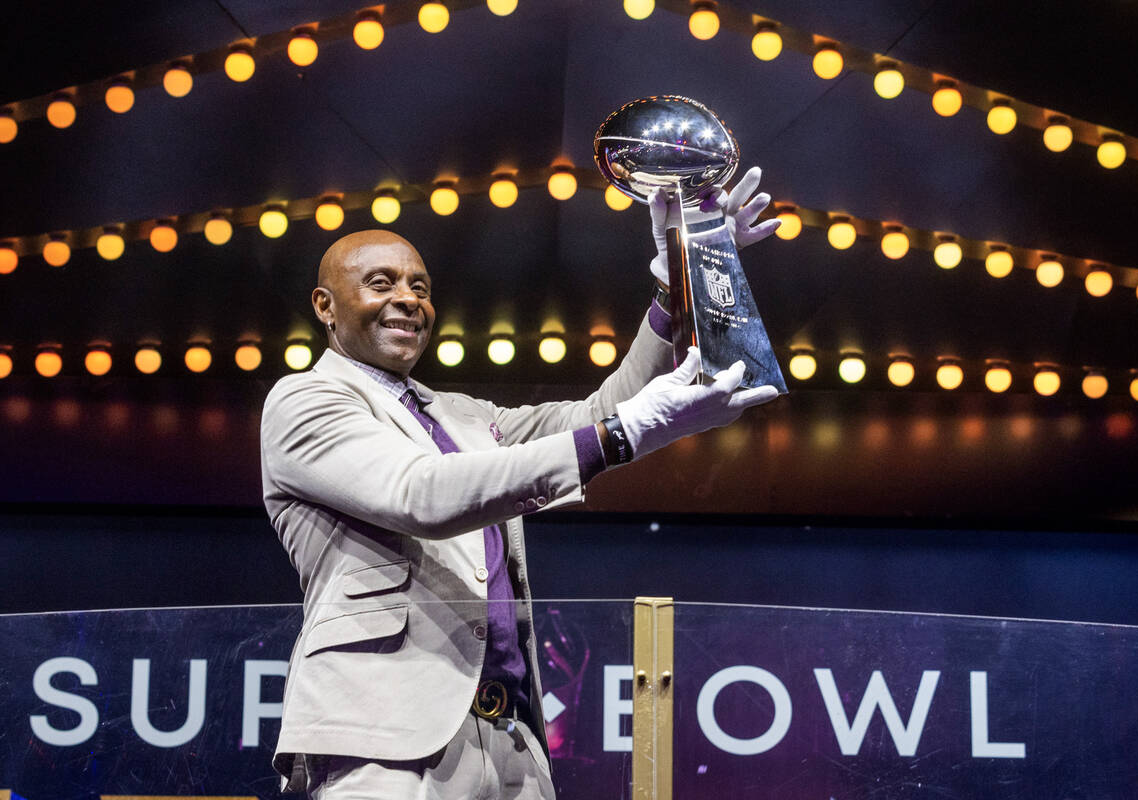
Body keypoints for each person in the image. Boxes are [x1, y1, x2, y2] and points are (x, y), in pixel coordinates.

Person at [259, 169, 781, 799]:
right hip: (385, 741)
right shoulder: (305, 399)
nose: (408, 299)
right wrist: (620, 435)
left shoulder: (464, 416)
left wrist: (679, 281)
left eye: (420, 288)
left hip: (509, 738)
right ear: (326, 306)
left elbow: (596, 418)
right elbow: (420, 494)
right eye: (381, 283)